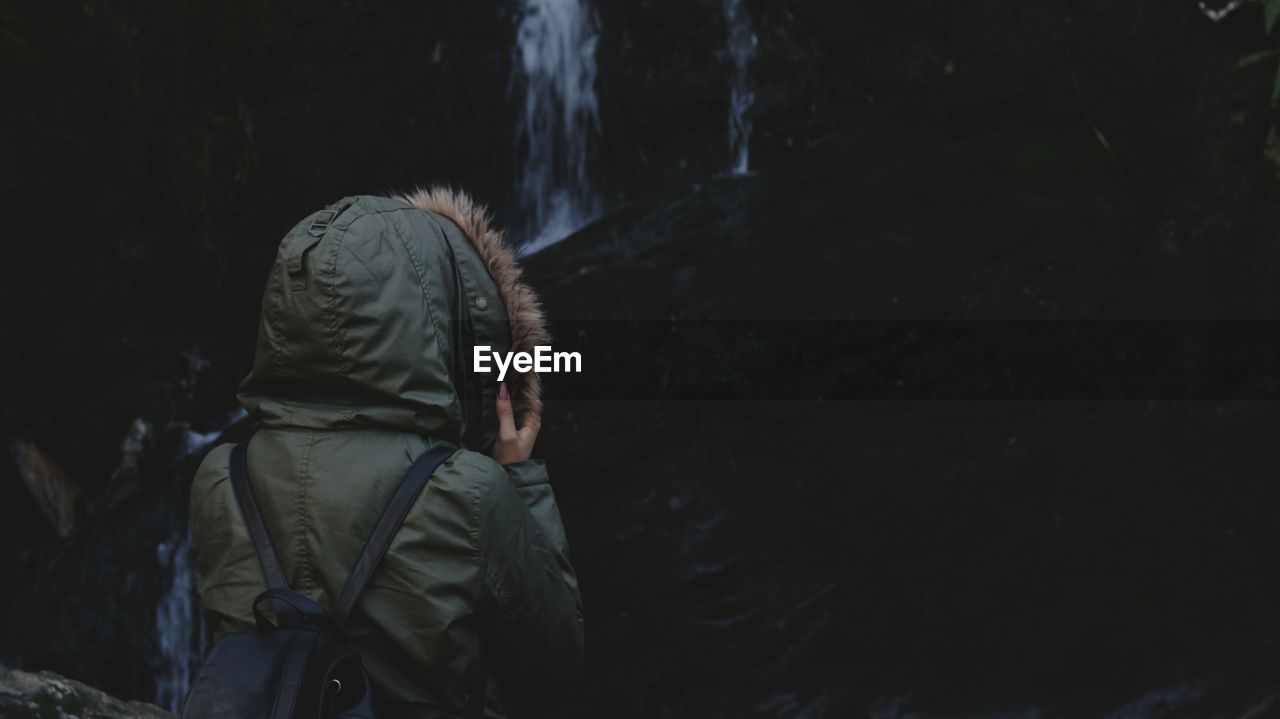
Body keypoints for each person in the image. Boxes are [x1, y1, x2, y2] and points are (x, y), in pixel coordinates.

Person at [189, 189, 583, 718]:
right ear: (433, 317)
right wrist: (522, 479)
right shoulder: (470, 490)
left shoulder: (221, 479)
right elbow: (555, 670)